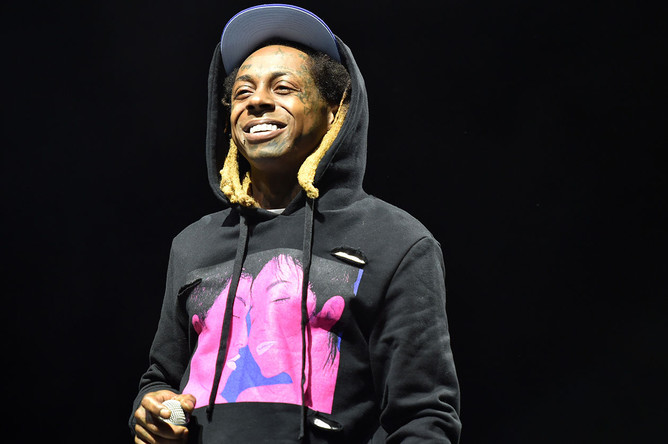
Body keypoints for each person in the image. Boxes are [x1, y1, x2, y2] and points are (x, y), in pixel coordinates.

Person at [130, 4, 461, 443]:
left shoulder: (397, 241)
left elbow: (423, 417)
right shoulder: (193, 244)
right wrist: (154, 412)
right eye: (243, 92)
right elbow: (163, 381)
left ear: (335, 112)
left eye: (283, 87)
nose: (257, 101)